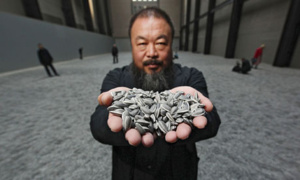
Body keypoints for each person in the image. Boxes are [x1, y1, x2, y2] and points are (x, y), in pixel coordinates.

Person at [90, 7, 221, 180]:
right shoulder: (116, 77)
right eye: (142, 43)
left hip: (178, 173)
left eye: (160, 43)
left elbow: (211, 120)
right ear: (132, 45)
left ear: (171, 45)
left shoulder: (191, 76)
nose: (152, 53)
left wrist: (185, 119)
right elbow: (98, 124)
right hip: (130, 173)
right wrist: (124, 118)